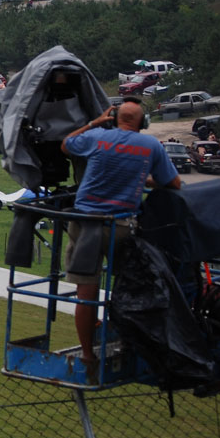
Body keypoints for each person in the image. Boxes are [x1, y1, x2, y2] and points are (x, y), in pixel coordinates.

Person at [61, 98, 182, 372]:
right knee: (127, 288)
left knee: (86, 293)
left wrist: (95, 123)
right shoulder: (150, 146)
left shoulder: (97, 136)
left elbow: (66, 144)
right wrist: (144, 178)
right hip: (120, 227)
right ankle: (127, 340)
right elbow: (173, 183)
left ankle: (88, 356)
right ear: (143, 123)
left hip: (84, 224)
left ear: (114, 119)